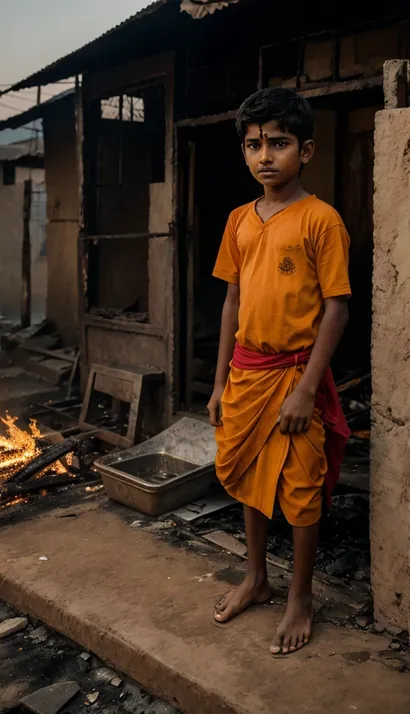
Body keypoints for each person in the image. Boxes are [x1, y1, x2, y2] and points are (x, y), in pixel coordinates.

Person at [208, 87, 351, 655]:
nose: (264, 155)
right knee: (248, 479)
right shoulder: (240, 220)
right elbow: (231, 304)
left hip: (295, 378)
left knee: (300, 492)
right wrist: (219, 383)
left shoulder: (322, 221)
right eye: (253, 145)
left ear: (306, 150)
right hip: (247, 374)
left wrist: (308, 388)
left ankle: (300, 596)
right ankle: (256, 576)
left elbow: (337, 308)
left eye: (278, 143)